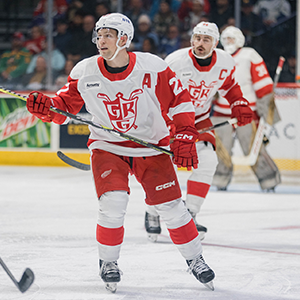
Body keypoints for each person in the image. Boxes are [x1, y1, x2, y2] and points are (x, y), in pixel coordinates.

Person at [25, 13, 215, 293]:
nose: (100, 40)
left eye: (108, 35)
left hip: (151, 147)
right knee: (113, 203)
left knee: (172, 209)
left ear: (124, 39)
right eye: (98, 35)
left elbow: (179, 101)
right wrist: (47, 108)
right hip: (107, 147)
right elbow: (64, 107)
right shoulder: (85, 70)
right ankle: (108, 262)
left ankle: (195, 258)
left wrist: (186, 133)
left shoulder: (153, 67)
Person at [144, 21, 253, 241]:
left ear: (215, 43)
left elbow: (229, 85)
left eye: (206, 39)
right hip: (169, 119)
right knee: (165, 167)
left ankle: (190, 213)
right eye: (197, 38)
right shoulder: (175, 62)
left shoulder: (224, 61)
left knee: (208, 161)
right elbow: (159, 98)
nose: (200, 43)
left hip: (199, 118)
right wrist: (174, 129)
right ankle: (153, 211)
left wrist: (238, 102)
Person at [211, 26, 281, 191]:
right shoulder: (217, 57)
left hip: (246, 111)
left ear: (240, 40)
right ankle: (221, 179)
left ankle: (269, 180)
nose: (228, 42)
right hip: (222, 112)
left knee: (252, 147)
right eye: (225, 39)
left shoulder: (250, 55)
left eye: (231, 39)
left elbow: (263, 85)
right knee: (221, 148)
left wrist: (268, 113)